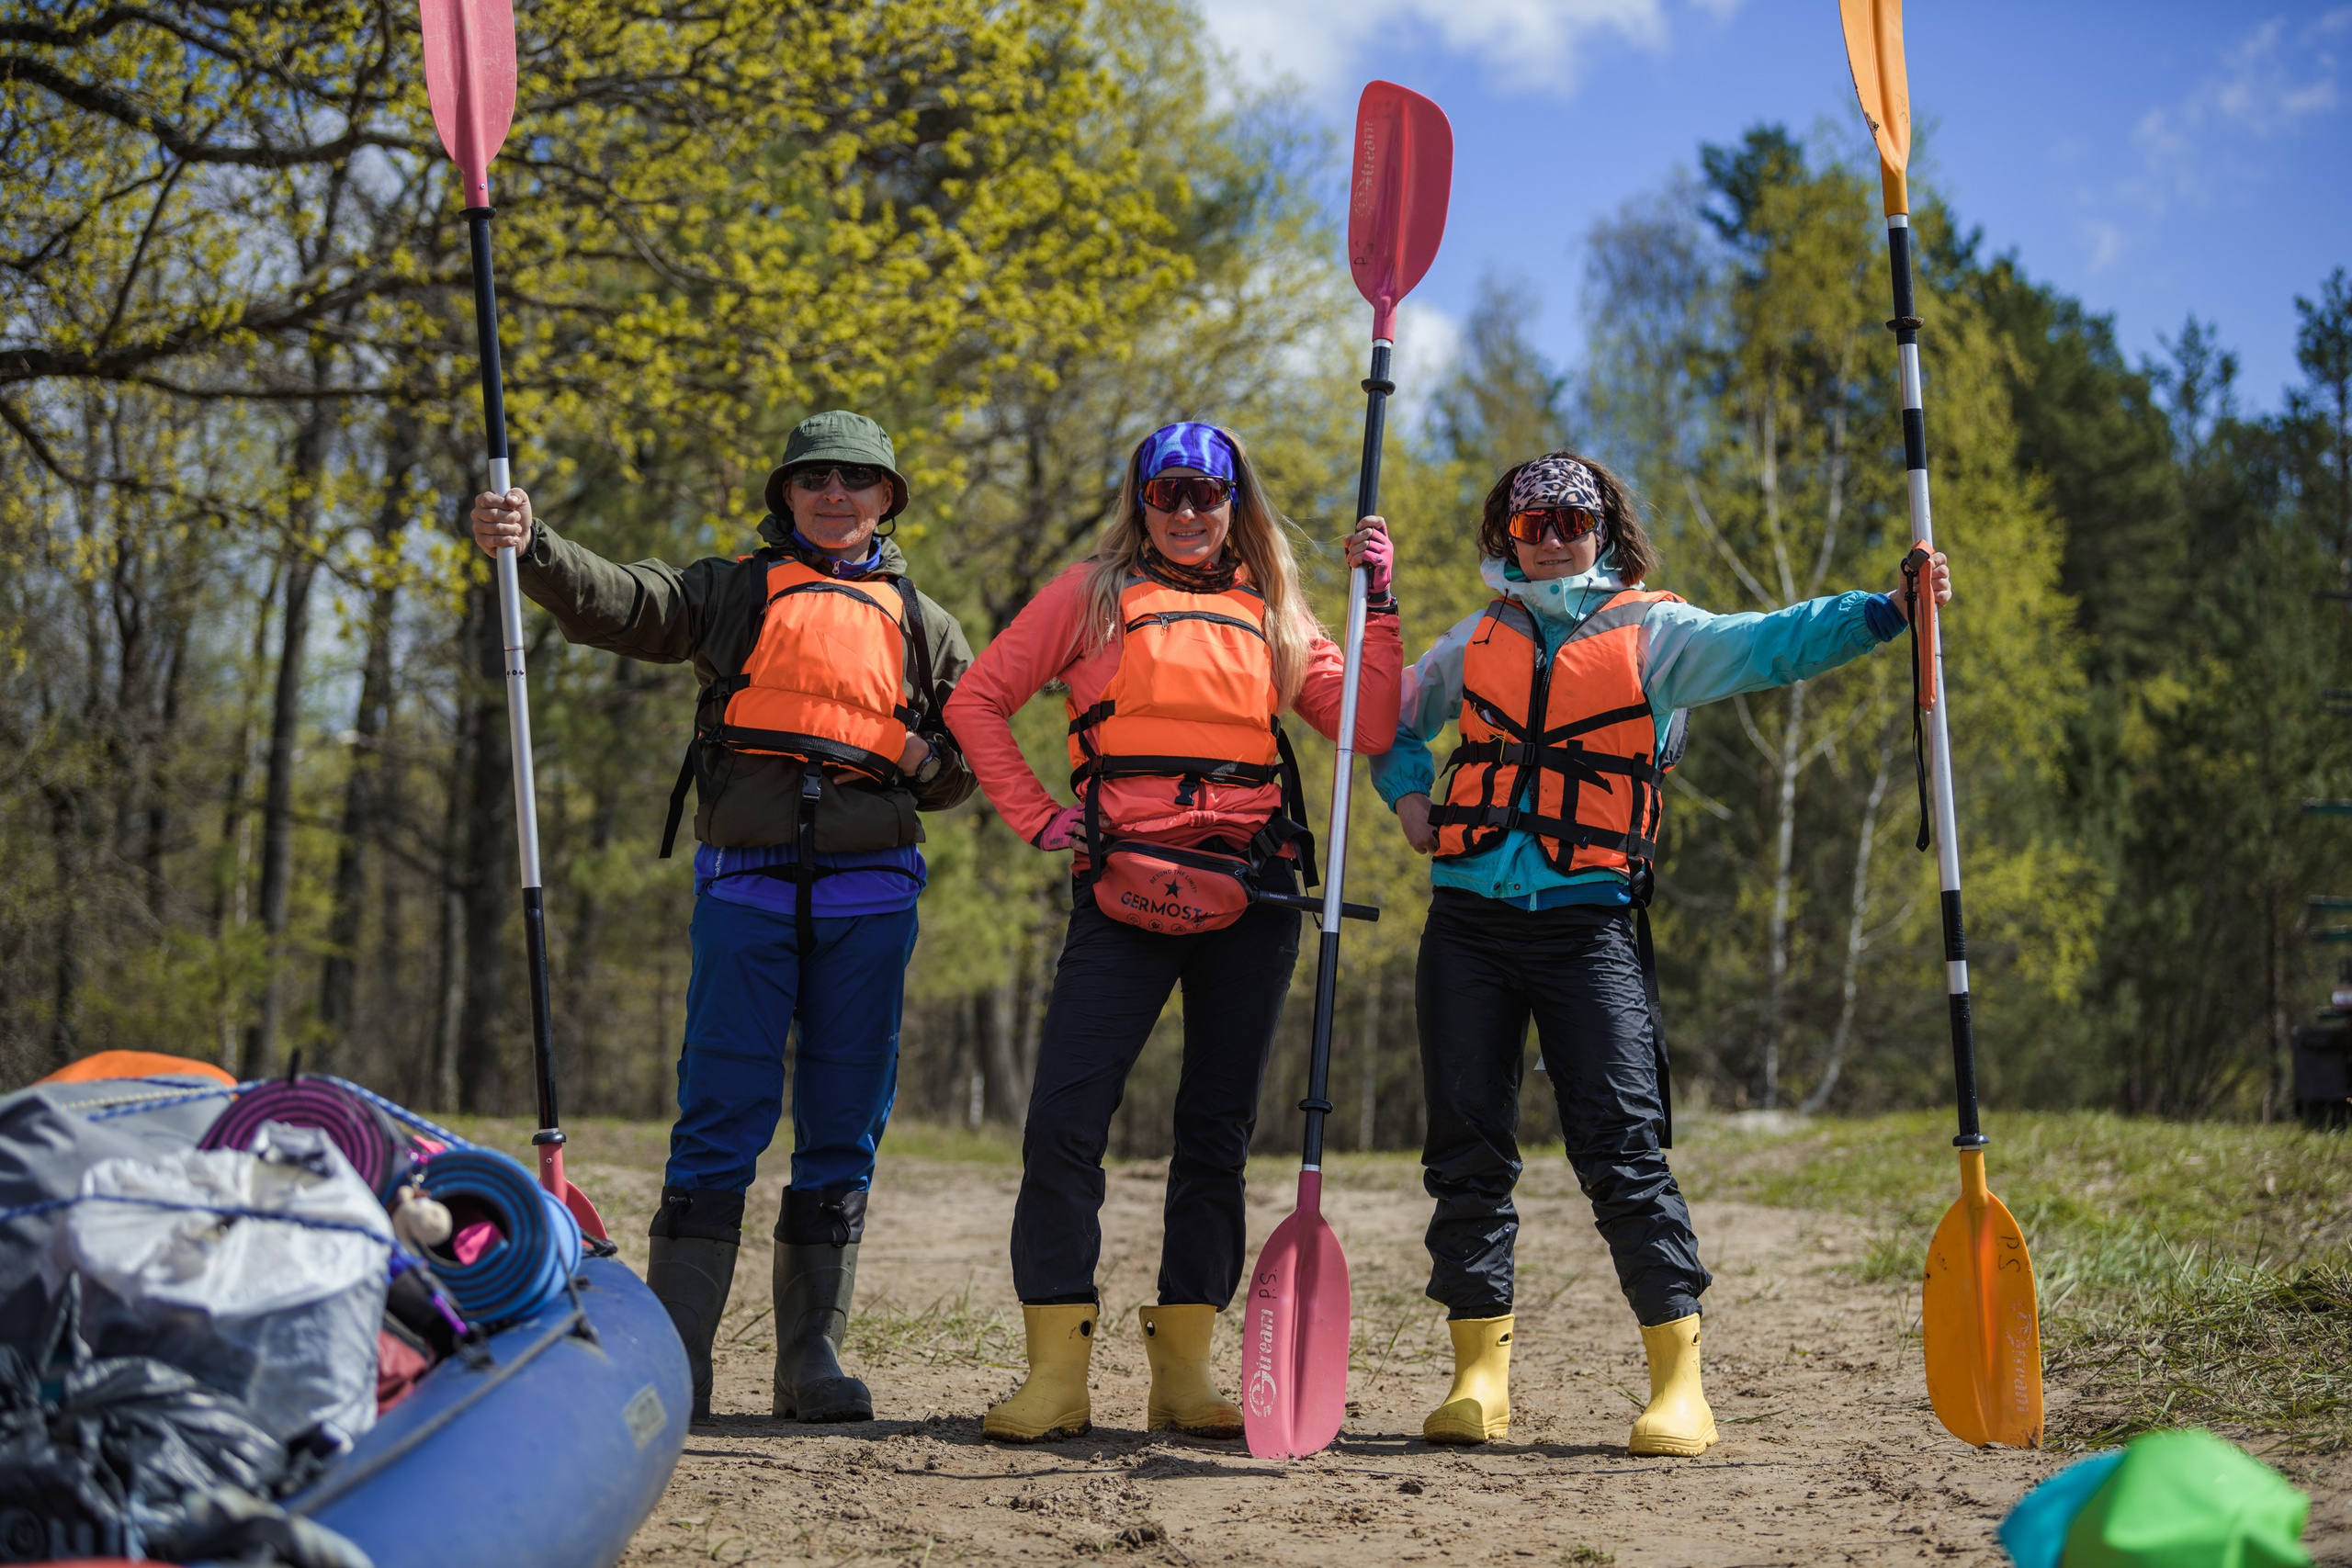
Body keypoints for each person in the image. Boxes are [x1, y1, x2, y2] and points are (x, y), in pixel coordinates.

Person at [1371, 451, 1951, 1455]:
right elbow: (1387, 719)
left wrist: (1889, 609)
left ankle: (1679, 1384)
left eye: (1571, 522)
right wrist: (1409, 798)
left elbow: (1774, 644)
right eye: (1532, 522)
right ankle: (1477, 1378)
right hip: (1465, 921)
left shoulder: (1655, 634)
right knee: (1465, 1150)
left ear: (1604, 533)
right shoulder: (1474, 639)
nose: (1552, 537)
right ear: (1505, 534)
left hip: (1586, 920)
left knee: (1622, 1149)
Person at [468, 410, 976, 1425]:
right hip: (743, 887)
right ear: (786, 493)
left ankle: (810, 1358)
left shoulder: (927, 622)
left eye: (857, 480)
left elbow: (965, 766)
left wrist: (932, 764)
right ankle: (682, 1356)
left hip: (871, 898)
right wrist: (534, 546)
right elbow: (623, 603)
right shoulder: (731, 590)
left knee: (844, 1125)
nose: (835, 495)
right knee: (718, 1117)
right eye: (815, 478)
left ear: (887, 499)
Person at [944, 422, 1401, 1441]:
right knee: (1065, 1121)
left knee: (1216, 1132)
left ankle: (1183, 1372)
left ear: (1235, 502)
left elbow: (1369, 724)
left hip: (1252, 892)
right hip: (1124, 890)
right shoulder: (1091, 594)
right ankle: (1057, 1375)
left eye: (1208, 495)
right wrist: (1035, 814)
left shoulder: (1273, 606)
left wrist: (1383, 601)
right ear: (1139, 502)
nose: (1190, 512)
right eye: (1170, 495)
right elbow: (977, 700)